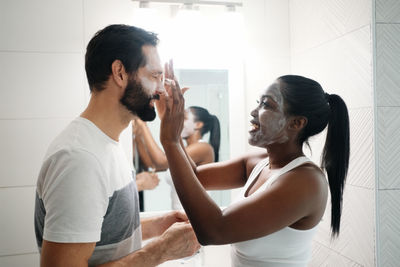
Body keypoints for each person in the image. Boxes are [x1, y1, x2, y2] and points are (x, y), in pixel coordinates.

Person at [34, 24, 200, 267]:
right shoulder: (80, 159)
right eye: (155, 76)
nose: (162, 90)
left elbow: (96, 233)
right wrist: (161, 251)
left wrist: (157, 225)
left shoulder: (107, 144)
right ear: (120, 72)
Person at [159, 69, 350, 266]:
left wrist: (170, 141)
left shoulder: (305, 182)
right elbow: (194, 177)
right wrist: (170, 122)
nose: (253, 112)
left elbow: (214, 231)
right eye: (258, 102)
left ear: (296, 123)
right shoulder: (259, 162)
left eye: (266, 104)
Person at [133, 105, 220, 209]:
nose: (178, 121)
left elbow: (162, 161)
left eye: (184, 118)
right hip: (182, 216)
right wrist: (138, 136)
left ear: (198, 125)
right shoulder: (183, 150)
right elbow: (153, 165)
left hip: (197, 216)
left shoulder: (203, 148)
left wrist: (143, 125)